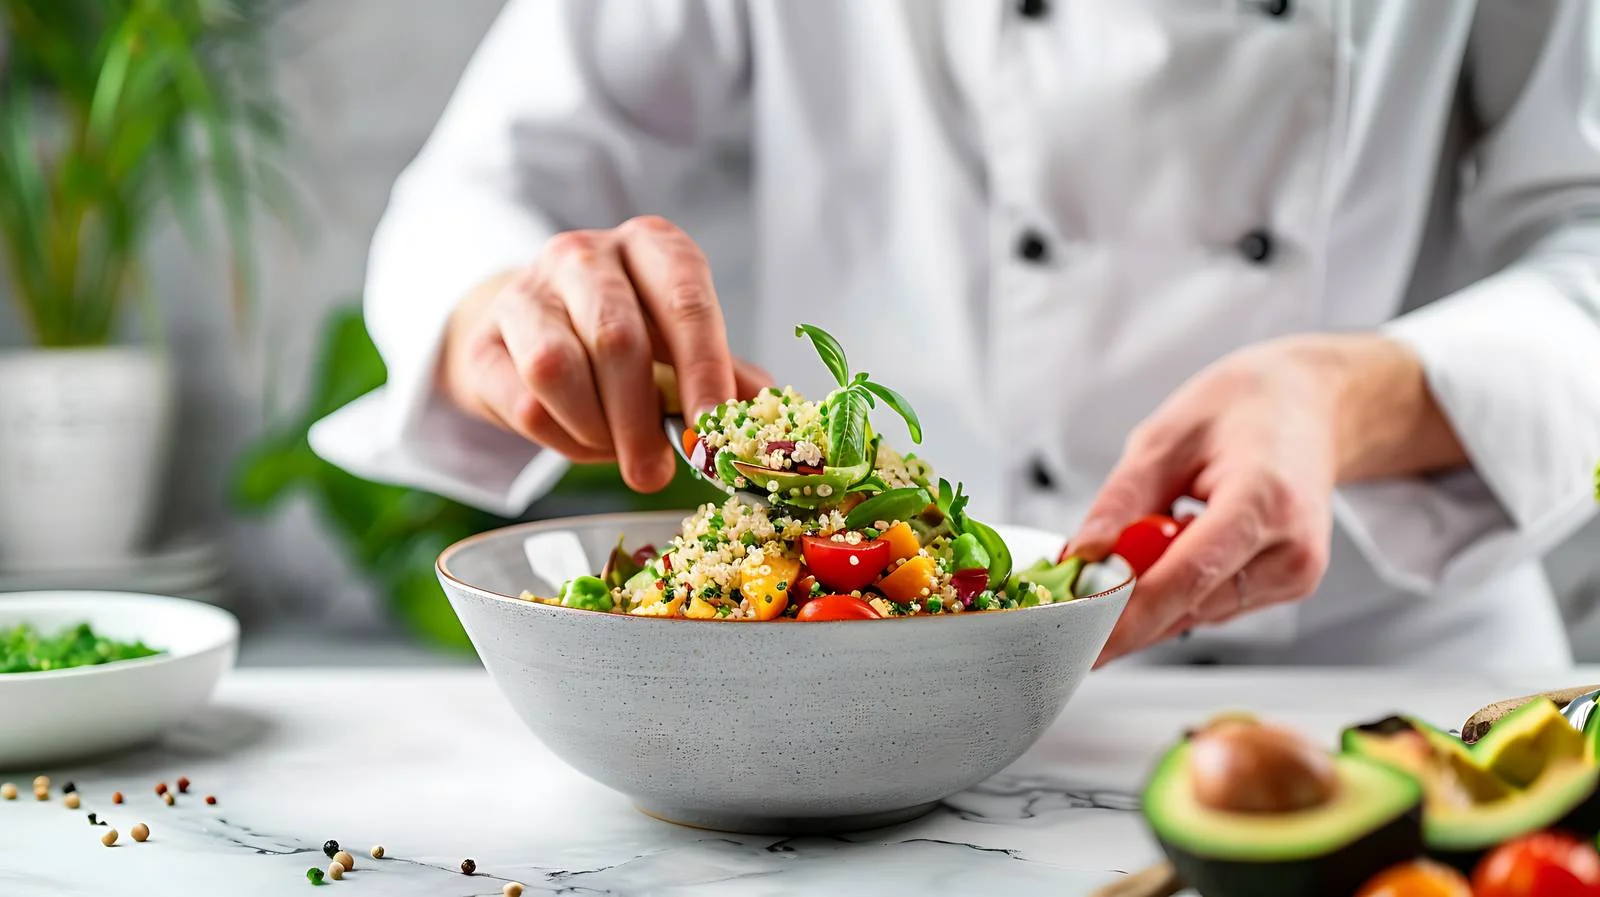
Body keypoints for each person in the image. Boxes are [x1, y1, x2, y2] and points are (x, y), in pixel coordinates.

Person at [311, 0, 1600, 669]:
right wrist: (510, 308)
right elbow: (486, 183)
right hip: (873, 682)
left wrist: (1348, 399)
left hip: (1374, 664)